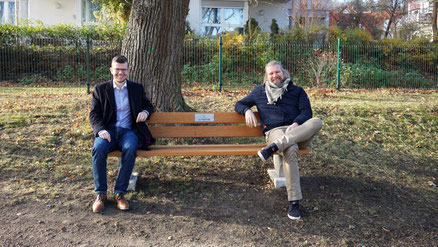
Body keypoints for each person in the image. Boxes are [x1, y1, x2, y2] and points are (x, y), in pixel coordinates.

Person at [235, 60, 322, 220]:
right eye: (271, 73)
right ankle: (294, 202)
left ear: (284, 72)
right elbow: (239, 104)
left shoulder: (297, 91)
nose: (275, 75)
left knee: (317, 121)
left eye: (277, 72)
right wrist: (246, 110)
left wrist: (296, 124)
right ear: (266, 76)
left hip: (298, 132)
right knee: (290, 148)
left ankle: (273, 148)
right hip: (274, 131)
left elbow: (306, 112)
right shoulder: (259, 92)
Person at [89, 55, 155, 213]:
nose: (120, 73)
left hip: (128, 132)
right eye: (117, 70)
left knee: (131, 148)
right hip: (108, 132)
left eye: (123, 70)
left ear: (128, 71)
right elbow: (94, 114)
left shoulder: (136, 88)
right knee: (98, 148)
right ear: (111, 70)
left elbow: (148, 105)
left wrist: (146, 111)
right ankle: (101, 194)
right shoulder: (100, 89)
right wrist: (101, 130)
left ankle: (119, 193)